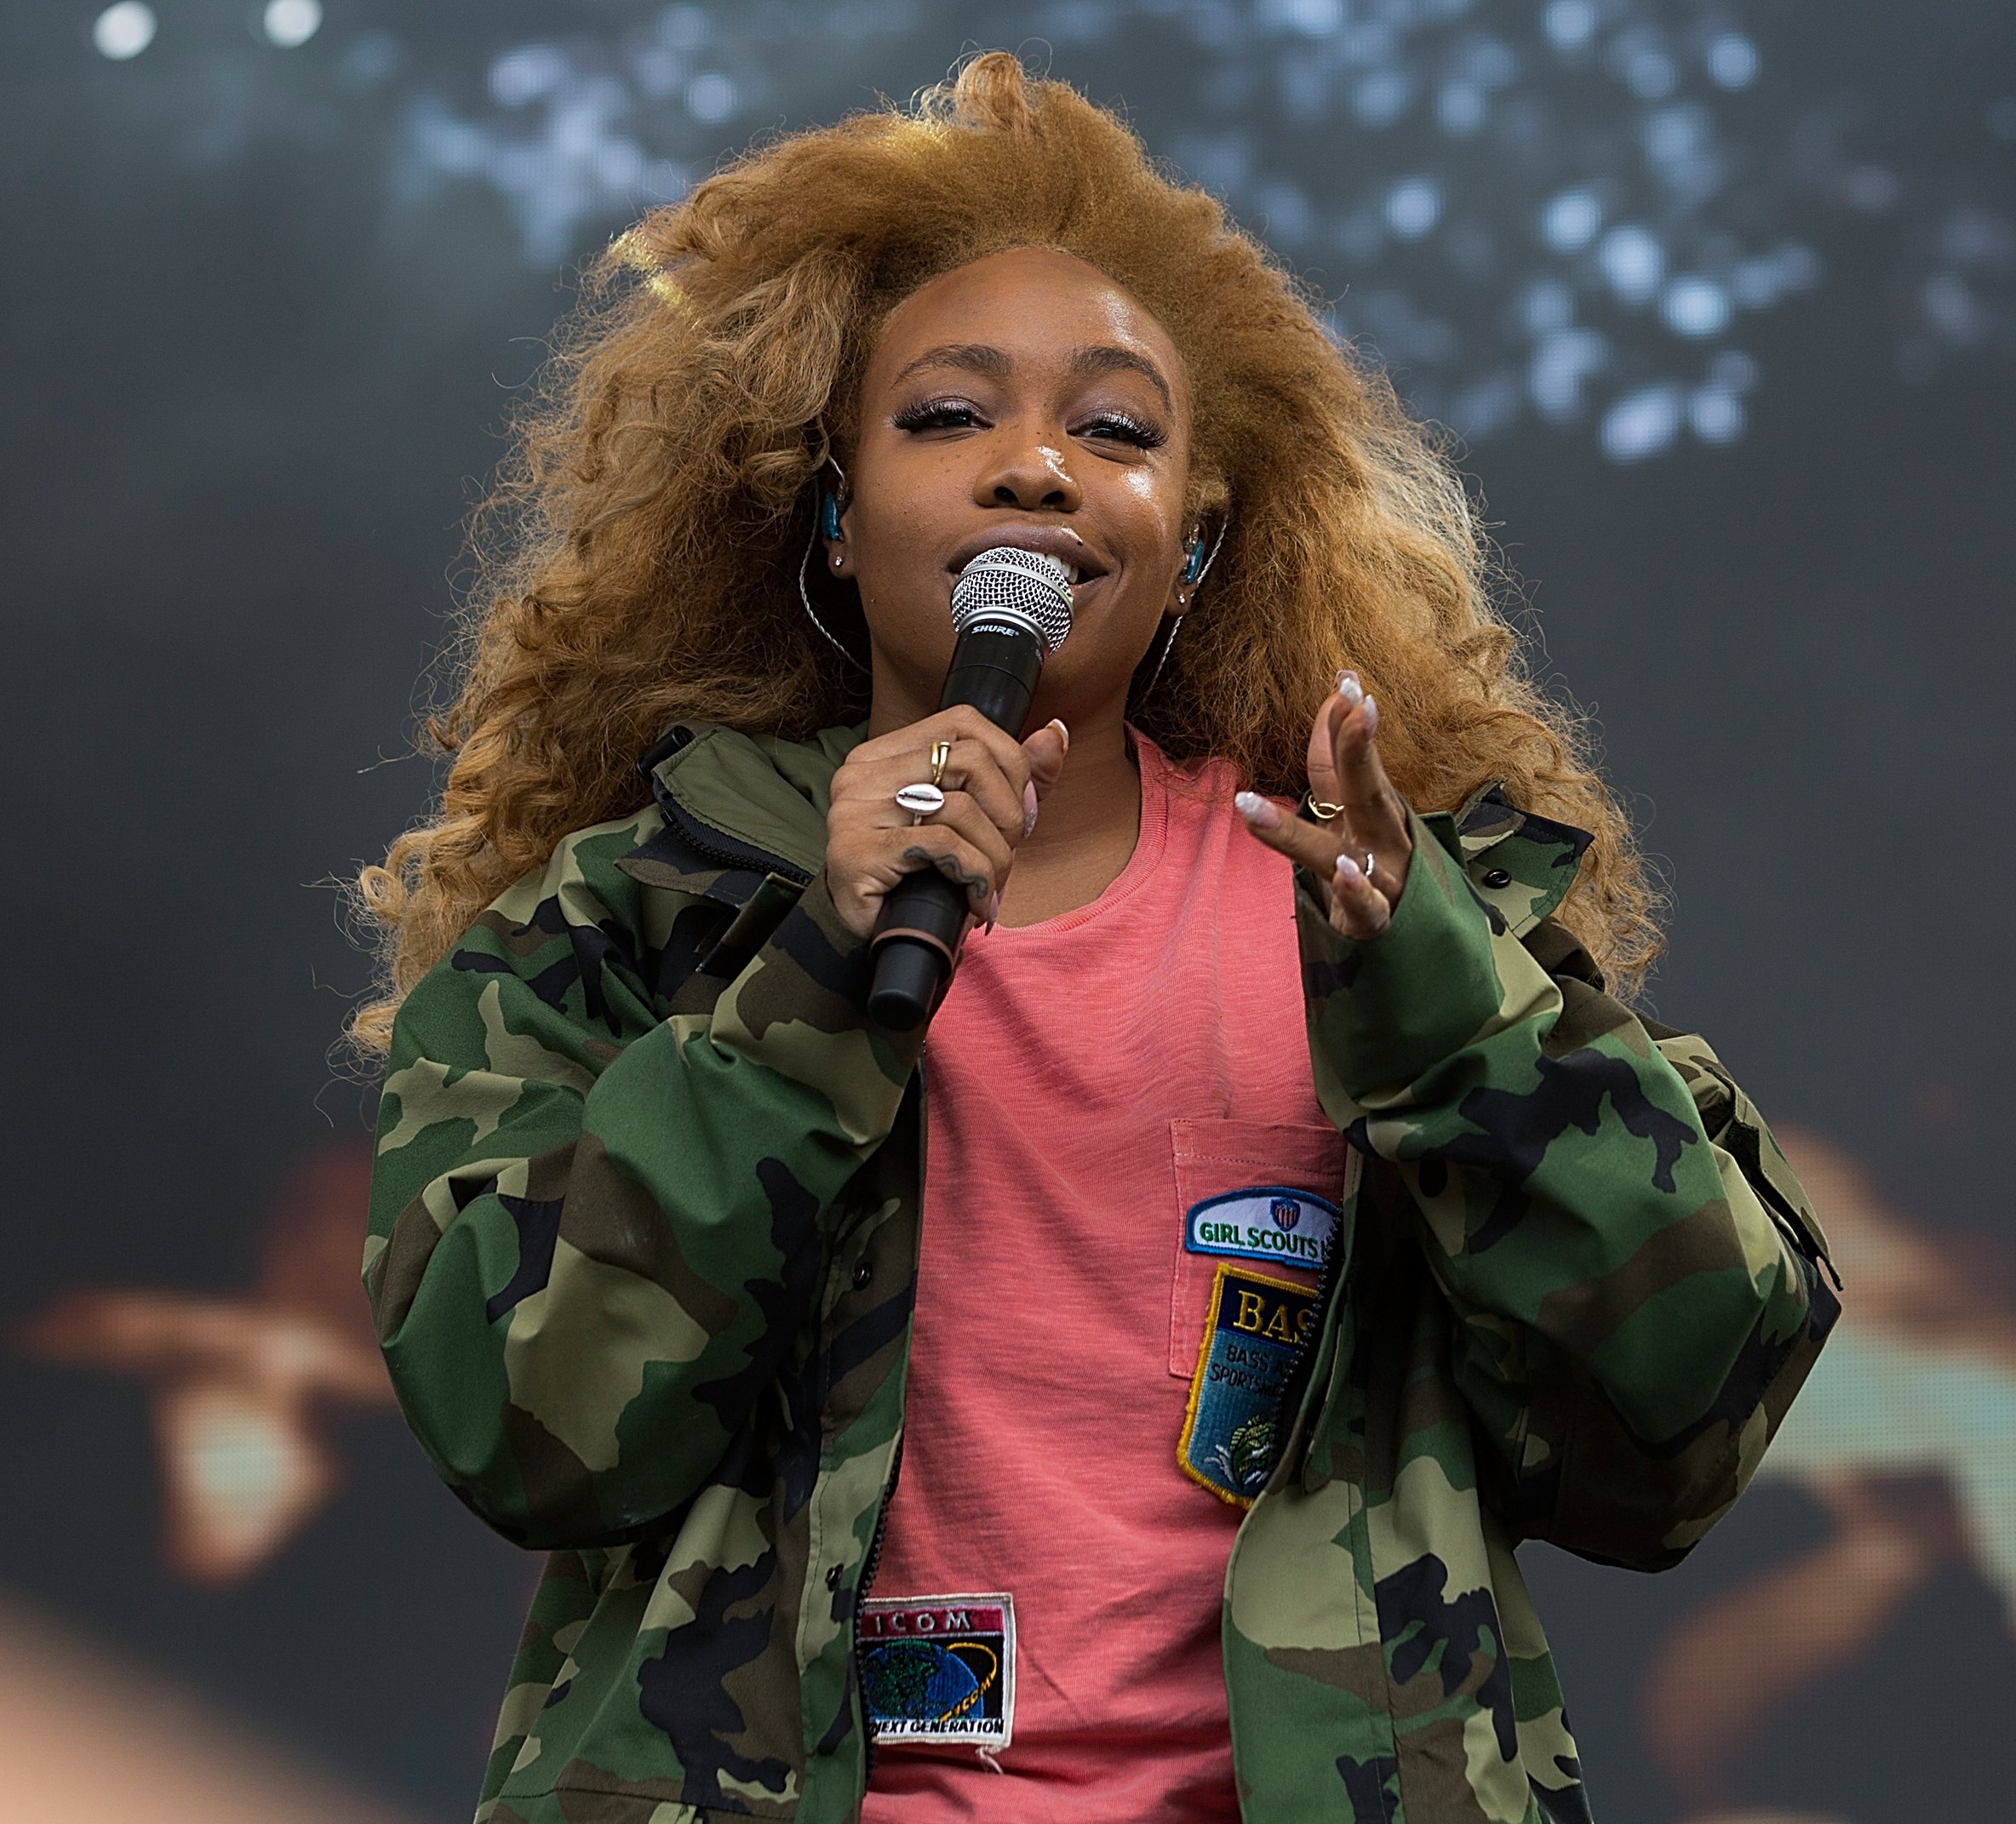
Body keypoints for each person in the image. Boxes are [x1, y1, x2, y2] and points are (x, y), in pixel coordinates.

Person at [353, 54, 1838, 1824]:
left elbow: (1676, 1431)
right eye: (946, 416)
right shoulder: (636, 919)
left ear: (1196, 541)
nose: (1038, 466)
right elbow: (526, 1425)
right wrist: (812, 988)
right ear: (832, 507)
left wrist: (1457, 1015)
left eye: (1117, 429)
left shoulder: (1378, 906)